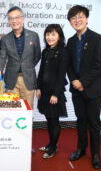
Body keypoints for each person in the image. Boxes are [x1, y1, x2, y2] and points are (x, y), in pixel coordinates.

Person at [66, 5, 101, 169]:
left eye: (80, 16)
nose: (77, 20)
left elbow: (99, 65)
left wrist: (82, 82)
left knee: (93, 122)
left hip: (93, 89)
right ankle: (81, 148)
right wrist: (75, 81)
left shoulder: (97, 39)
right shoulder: (71, 41)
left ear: (87, 18)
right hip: (76, 89)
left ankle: (96, 154)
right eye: (73, 18)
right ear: (70, 22)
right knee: (80, 120)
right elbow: (68, 65)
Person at [0, 6, 41, 107]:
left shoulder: (34, 35)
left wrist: (27, 66)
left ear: (22, 18)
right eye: (11, 18)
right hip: (11, 79)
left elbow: (37, 55)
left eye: (17, 17)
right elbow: (2, 56)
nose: (14, 21)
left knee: (27, 109)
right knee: (12, 110)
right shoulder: (5, 39)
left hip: (28, 79)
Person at [36, 24, 68, 159]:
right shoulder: (46, 51)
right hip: (44, 91)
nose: (50, 37)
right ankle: (50, 144)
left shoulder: (63, 51)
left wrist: (55, 94)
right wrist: (38, 87)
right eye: (48, 34)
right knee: (48, 120)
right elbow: (41, 71)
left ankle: (53, 148)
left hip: (55, 93)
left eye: (53, 34)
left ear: (59, 36)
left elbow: (62, 75)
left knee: (54, 121)